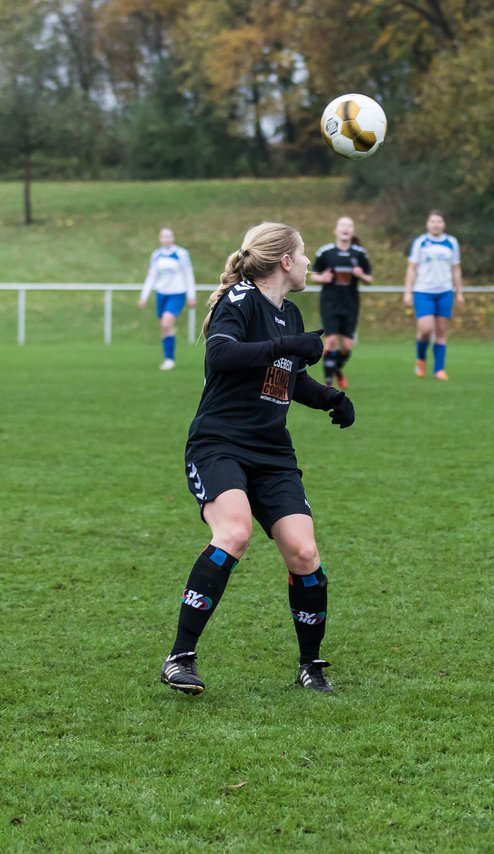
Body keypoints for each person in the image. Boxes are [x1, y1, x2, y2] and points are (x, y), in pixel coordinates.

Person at [160, 222, 357, 696]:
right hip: (220, 443)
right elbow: (223, 355)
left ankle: (310, 665)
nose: (309, 263)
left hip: (272, 452)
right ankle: (179, 657)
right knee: (234, 532)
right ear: (285, 262)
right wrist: (290, 346)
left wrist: (329, 397)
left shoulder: (287, 312)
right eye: (305, 254)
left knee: (304, 552)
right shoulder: (240, 300)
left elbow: (283, 377)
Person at [310, 216, 373, 389]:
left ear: (353, 231)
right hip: (329, 303)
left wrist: (361, 275)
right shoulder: (326, 252)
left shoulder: (359, 254)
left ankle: (336, 367)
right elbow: (314, 275)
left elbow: (369, 279)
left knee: (346, 347)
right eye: (342, 225)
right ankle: (328, 383)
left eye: (349, 226)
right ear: (335, 230)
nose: (345, 228)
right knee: (330, 341)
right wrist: (322, 277)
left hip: (350, 304)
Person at [404, 210, 464, 379]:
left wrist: (459, 293)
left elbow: (456, 269)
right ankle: (421, 359)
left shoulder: (451, 242)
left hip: (445, 291)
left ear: (443, 224)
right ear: (427, 224)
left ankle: (439, 369)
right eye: (432, 221)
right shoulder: (421, 242)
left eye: (439, 221)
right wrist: (408, 292)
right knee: (425, 329)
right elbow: (411, 268)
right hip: (423, 291)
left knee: (441, 330)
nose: (436, 224)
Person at [137, 228, 196, 370]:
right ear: (160, 238)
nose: (166, 239)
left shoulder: (181, 254)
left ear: (173, 238)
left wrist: (191, 295)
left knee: (166, 324)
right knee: (164, 328)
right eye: (163, 236)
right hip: (161, 294)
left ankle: (170, 360)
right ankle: (168, 358)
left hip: (177, 293)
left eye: (169, 236)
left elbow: (188, 274)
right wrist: (143, 296)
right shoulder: (156, 255)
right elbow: (152, 276)